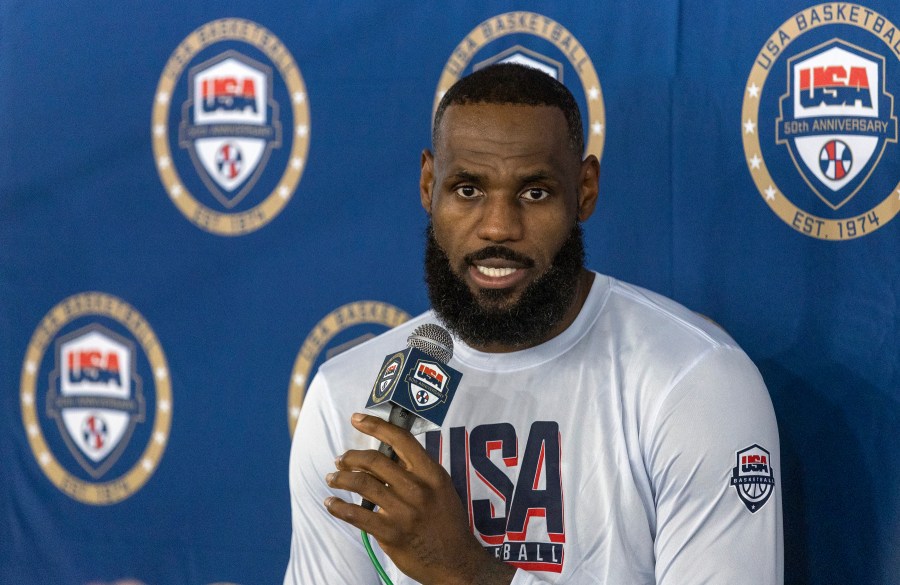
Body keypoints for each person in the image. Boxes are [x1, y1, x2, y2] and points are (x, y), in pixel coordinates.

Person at [284, 63, 783, 584]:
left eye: (534, 193)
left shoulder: (693, 380)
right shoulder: (350, 394)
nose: (498, 226)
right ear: (429, 184)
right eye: (468, 190)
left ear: (584, 190)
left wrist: (467, 572)